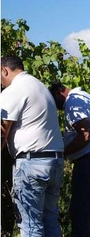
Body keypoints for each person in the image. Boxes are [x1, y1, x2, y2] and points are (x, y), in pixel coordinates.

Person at [1, 56, 65, 236]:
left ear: (4, 71)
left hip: (32, 164)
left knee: (30, 225)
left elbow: (2, 133)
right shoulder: (40, 87)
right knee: (50, 220)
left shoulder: (14, 91)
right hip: (55, 161)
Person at [49, 81, 90, 237]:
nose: (56, 108)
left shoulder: (73, 102)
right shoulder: (84, 97)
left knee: (79, 211)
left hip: (89, 163)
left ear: (59, 93)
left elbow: (85, 134)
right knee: (88, 209)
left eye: (54, 101)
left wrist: (64, 152)